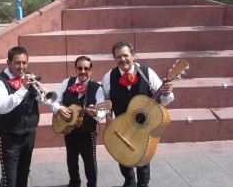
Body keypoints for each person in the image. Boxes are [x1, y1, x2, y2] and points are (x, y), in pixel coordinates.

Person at [101, 41, 174, 187]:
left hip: (143, 126)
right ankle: (129, 181)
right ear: (114, 59)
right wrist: (108, 117)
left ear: (133, 56)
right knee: (121, 154)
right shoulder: (108, 77)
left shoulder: (147, 73)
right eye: (118, 56)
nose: (122, 59)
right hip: (121, 125)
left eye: (125, 55)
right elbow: (105, 101)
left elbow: (165, 101)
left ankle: (143, 184)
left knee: (143, 158)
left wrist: (167, 92)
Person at [50, 56, 108, 187]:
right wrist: (59, 109)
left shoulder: (97, 88)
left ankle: (92, 185)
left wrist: (96, 113)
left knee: (89, 162)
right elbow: (54, 101)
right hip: (69, 129)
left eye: (86, 68)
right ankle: (74, 182)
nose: (83, 71)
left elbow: (103, 110)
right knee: (71, 159)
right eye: (79, 68)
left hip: (87, 132)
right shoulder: (67, 82)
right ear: (75, 69)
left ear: (91, 70)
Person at [0, 46, 40, 187]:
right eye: (17, 63)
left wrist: (56, 106)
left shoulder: (30, 77)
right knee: (9, 179)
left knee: (23, 174)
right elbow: (2, 107)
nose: (21, 67)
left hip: (29, 134)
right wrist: (23, 88)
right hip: (9, 137)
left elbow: (41, 98)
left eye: (24, 63)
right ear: (8, 63)